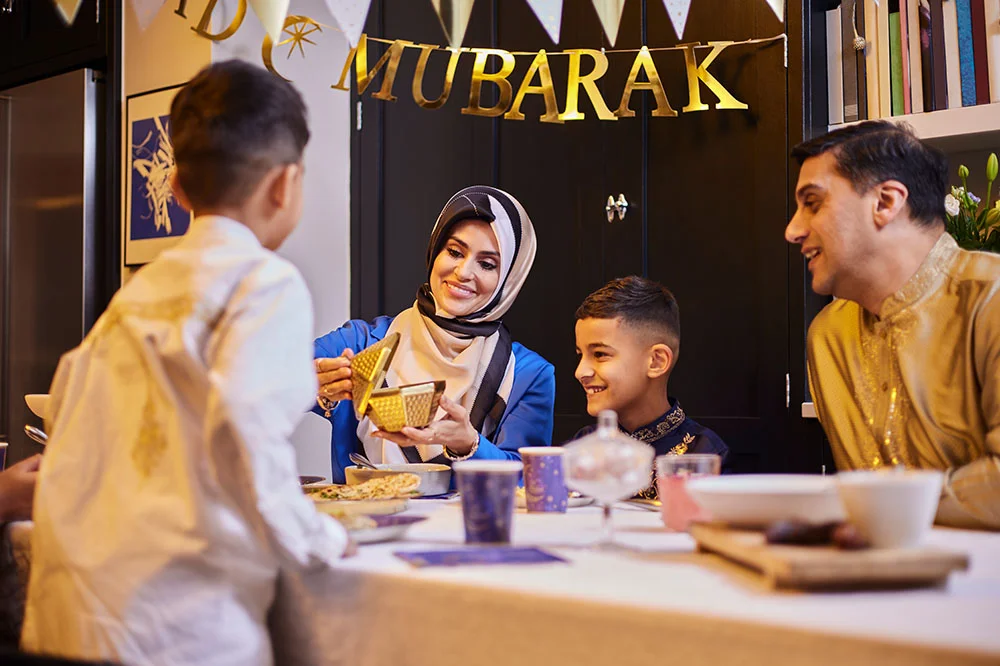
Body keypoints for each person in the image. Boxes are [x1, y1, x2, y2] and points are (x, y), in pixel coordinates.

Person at [21, 60, 350, 664]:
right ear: (285, 186)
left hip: (69, 617)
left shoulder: (134, 298)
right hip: (178, 627)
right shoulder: (264, 282)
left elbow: (64, 408)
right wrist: (320, 539)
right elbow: (244, 423)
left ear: (174, 189)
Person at [786, 120, 1000, 530]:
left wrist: (877, 507)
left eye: (812, 203)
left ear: (885, 202)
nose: (793, 230)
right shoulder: (828, 337)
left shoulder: (989, 298)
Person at [313, 186, 555, 482]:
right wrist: (314, 386)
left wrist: (470, 444)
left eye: (487, 264)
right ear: (435, 250)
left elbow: (530, 479)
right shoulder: (362, 342)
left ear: (509, 279)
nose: (464, 272)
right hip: (368, 523)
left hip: (471, 526)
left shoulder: (529, 374)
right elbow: (259, 381)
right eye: (454, 251)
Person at [571, 276, 730, 496]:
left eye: (600, 354)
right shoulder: (583, 447)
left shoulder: (703, 454)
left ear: (656, 361)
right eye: (580, 355)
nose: (580, 372)